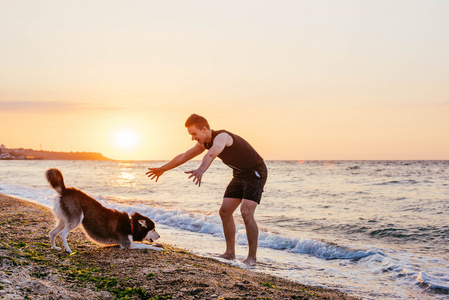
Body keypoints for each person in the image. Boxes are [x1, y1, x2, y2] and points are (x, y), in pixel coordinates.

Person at [146, 114, 267, 265]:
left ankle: (252, 258)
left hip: (255, 172)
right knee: (225, 211)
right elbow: (184, 156)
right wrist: (162, 169)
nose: (193, 138)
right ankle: (230, 253)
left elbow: (212, 154)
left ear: (204, 129)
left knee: (246, 212)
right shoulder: (205, 143)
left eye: (194, 134)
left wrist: (201, 169)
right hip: (239, 174)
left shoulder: (222, 137)